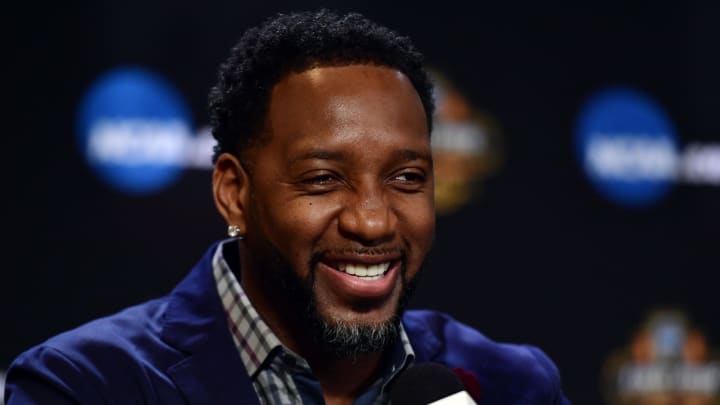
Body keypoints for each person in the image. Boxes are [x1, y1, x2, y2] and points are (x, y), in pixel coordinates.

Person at [4, 9, 570, 405]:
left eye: (406, 177)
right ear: (235, 192)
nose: (372, 221)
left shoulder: (511, 384)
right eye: (323, 179)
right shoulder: (86, 387)